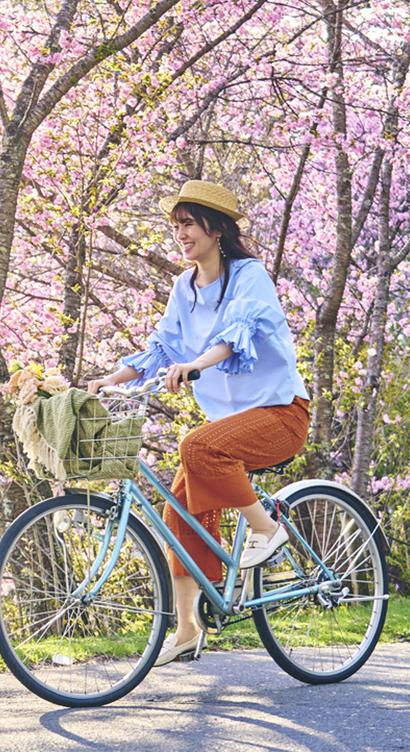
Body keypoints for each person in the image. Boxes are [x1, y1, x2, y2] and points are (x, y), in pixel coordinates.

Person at [87, 180, 311, 666]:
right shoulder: (183, 287)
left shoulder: (249, 275)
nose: (180, 234)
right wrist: (108, 380)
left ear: (217, 228)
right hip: (231, 427)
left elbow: (235, 335)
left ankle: (268, 530)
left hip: (280, 413)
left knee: (196, 446)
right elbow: (160, 349)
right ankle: (187, 627)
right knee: (179, 512)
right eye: (176, 225)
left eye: (188, 223)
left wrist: (197, 365)